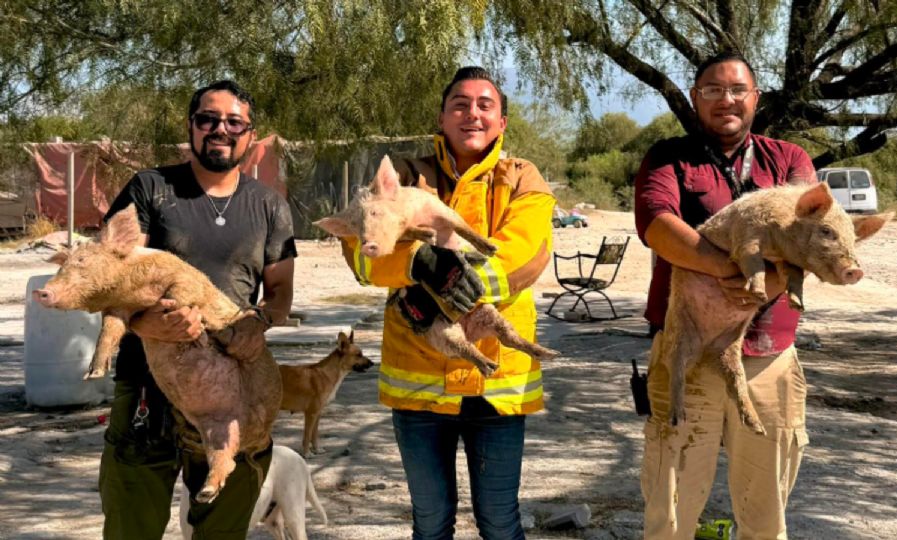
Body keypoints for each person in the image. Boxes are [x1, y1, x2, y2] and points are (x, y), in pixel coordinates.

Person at [336, 66, 555, 539]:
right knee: (431, 522)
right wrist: (418, 261)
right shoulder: (403, 176)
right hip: (419, 386)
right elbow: (362, 252)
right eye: (459, 103)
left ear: (502, 122)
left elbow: (527, 249)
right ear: (441, 116)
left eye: (484, 105)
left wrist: (458, 280)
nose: (471, 113)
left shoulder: (523, 178)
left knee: (500, 520)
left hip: (498, 386)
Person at [98, 80, 297, 539]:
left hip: (235, 396)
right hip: (149, 393)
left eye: (234, 122)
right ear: (191, 126)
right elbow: (108, 280)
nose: (220, 130)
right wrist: (148, 324)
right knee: (132, 528)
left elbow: (281, 291)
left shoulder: (268, 205)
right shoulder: (150, 189)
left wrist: (260, 322)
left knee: (222, 532)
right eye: (208, 119)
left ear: (250, 134)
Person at [634, 51, 818, 539]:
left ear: (756, 98)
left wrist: (769, 283)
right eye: (712, 90)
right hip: (684, 353)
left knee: (765, 515)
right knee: (668, 512)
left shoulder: (790, 158)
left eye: (738, 90)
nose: (726, 100)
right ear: (696, 98)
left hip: (767, 356)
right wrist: (728, 268)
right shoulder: (667, 157)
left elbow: (812, 233)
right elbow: (656, 224)